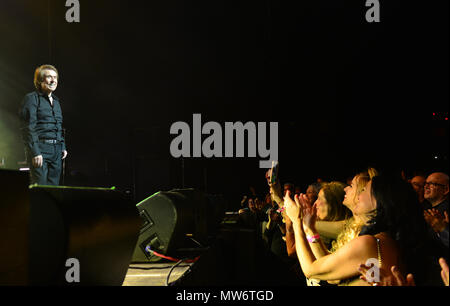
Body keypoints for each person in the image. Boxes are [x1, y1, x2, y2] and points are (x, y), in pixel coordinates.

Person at [284, 173, 445, 286]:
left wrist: (296, 222)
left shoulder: (369, 243)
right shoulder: (386, 241)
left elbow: (311, 270)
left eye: (363, 191)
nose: (358, 195)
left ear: (380, 201)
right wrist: (310, 229)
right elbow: (331, 276)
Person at [19, 65, 68, 185]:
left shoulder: (56, 101)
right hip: (41, 148)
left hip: (56, 151)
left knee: (54, 190)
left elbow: (58, 125)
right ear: (40, 81)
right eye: (49, 77)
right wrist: (35, 152)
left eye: (55, 77)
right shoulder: (31, 99)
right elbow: (28, 128)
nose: (53, 80)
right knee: (41, 189)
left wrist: (62, 146)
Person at [423, 172, 449, 248]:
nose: (426, 186)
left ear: (446, 189)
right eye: (425, 183)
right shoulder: (430, 209)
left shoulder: (445, 212)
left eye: (431, 183)